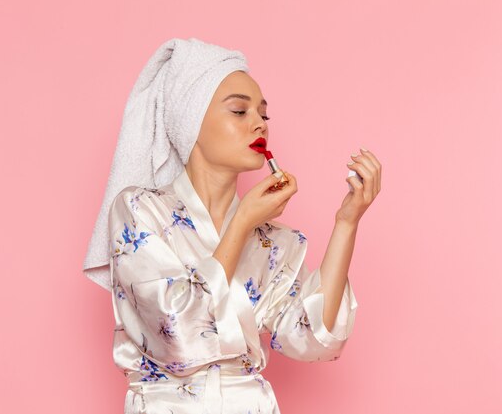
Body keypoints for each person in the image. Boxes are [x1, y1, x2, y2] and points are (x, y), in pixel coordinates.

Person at [84, 38, 382, 414]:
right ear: (190, 120)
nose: (259, 123)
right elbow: (175, 333)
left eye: (263, 114)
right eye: (239, 111)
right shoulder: (140, 211)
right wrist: (241, 224)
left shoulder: (271, 240)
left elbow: (312, 340)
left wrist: (347, 222)